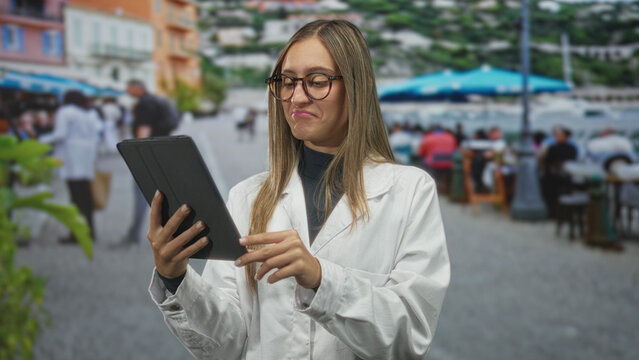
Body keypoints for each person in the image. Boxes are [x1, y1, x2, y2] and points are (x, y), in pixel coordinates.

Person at [146, 20, 450, 359]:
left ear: (359, 88)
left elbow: (410, 335)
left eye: (317, 81)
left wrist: (321, 279)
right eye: (286, 82)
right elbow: (227, 344)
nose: (297, 96)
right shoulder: (247, 198)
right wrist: (175, 279)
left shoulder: (409, 191)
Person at [39, 90, 102, 243]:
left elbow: (60, 134)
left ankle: (77, 233)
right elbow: (98, 133)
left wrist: (41, 140)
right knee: (86, 197)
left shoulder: (65, 111)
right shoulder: (90, 113)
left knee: (75, 198)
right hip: (86, 157)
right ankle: (89, 231)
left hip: (71, 158)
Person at [119, 80, 172, 245]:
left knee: (142, 195)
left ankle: (134, 233)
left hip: (147, 154)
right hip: (161, 150)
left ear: (137, 87)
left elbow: (144, 131)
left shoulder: (144, 104)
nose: (128, 91)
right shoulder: (155, 101)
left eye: (129, 88)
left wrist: (137, 156)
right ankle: (171, 235)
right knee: (163, 196)